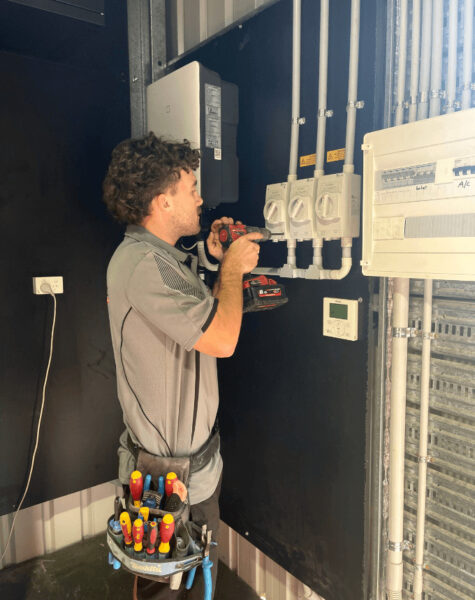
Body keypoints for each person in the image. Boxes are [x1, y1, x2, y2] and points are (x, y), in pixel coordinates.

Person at [103, 133, 261, 599]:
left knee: (191, 576)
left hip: (193, 468)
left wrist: (212, 258)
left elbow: (194, 306)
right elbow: (221, 338)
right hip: (164, 476)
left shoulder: (163, 259)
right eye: (191, 187)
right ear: (162, 201)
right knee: (165, 588)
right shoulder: (143, 266)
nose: (201, 197)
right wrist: (231, 268)